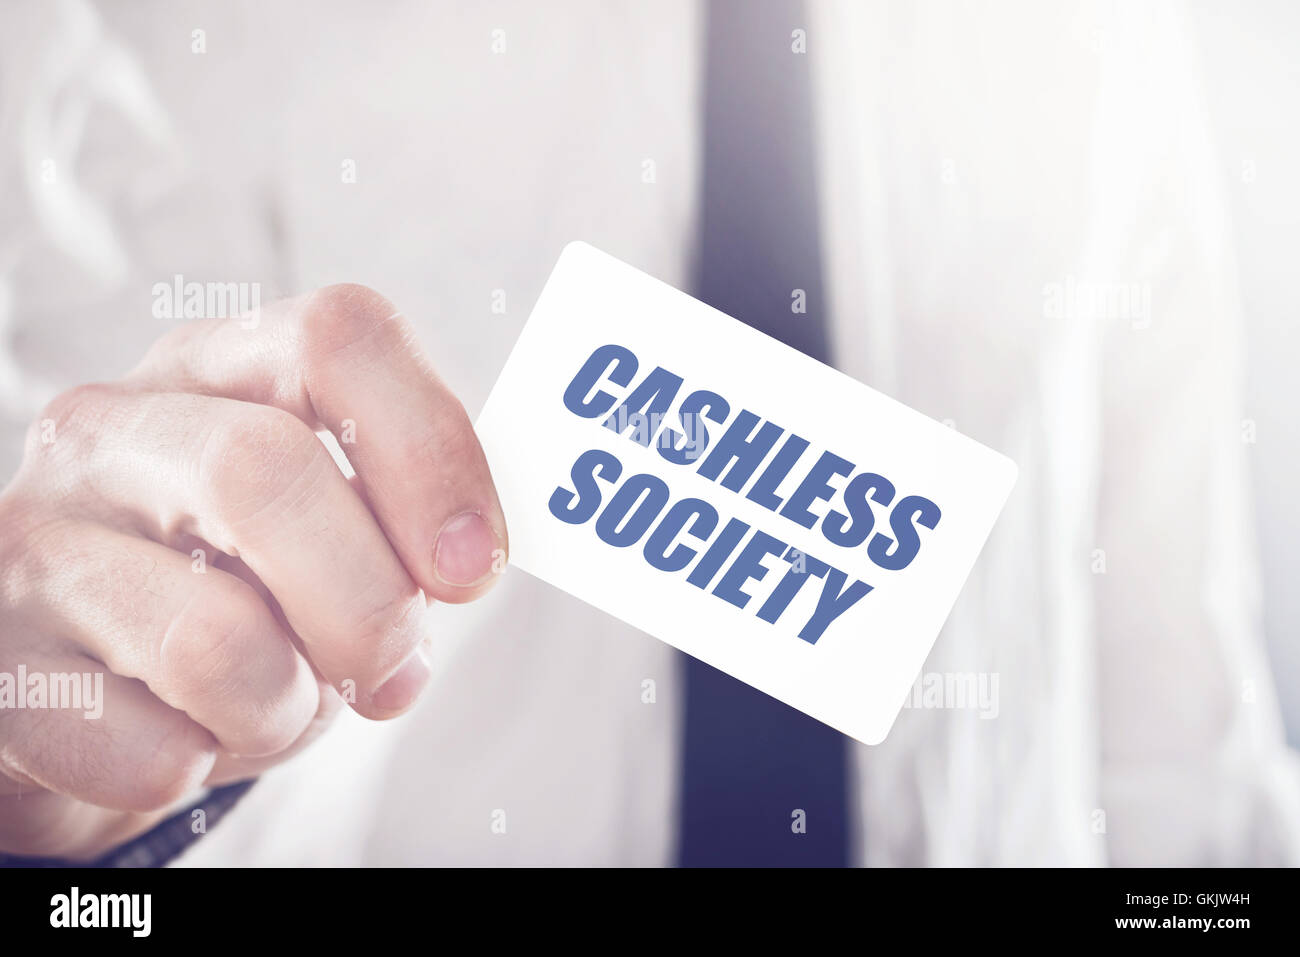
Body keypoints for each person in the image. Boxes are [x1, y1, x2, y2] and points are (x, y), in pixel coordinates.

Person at [1, 0, 1296, 866]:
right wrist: (50, 788)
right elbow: (67, 627)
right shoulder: (170, 35)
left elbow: (1174, 722)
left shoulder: (1103, 39)